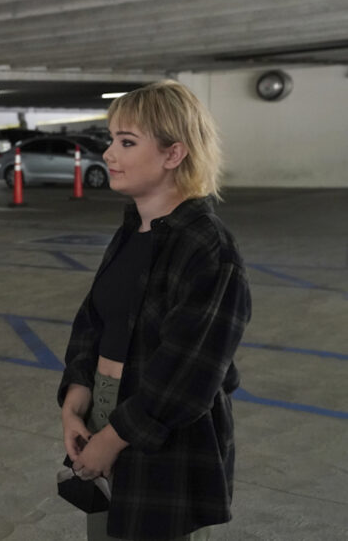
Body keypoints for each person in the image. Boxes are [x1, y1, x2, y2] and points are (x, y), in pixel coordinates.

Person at [57, 80, 252, 540]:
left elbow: (191, 371)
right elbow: (94, 320)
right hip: (105, 410)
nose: (108, 154)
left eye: (126, 142)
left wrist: (111, 438)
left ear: (173, 154)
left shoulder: (207, 246)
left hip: (164, 430)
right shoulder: (132, 230)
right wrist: (76, 397)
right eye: (111, 139)